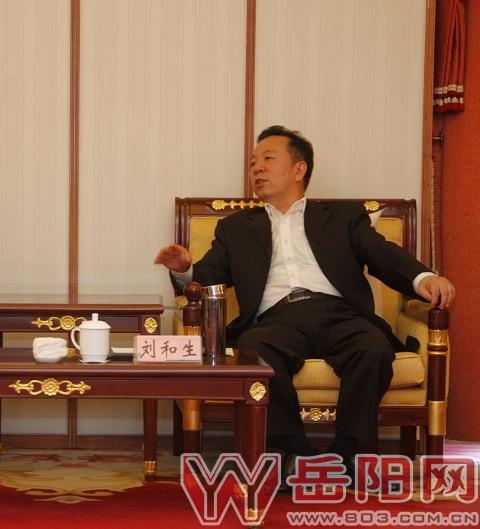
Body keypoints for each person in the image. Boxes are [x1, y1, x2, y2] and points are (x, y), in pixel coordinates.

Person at [154, 125, 455, 479]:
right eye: (253, 163)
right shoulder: (235, 228)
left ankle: (349, 453)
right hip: (274, 320)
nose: (257, 168)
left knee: (373, 349)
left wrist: (424, 278)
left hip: (339, 315)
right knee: (254, 351)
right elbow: (208, 279)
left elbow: (381, 254)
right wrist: (184, 270)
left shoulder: (341, 217)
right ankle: (292, 452)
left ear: (299, 169)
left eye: (268, 159)